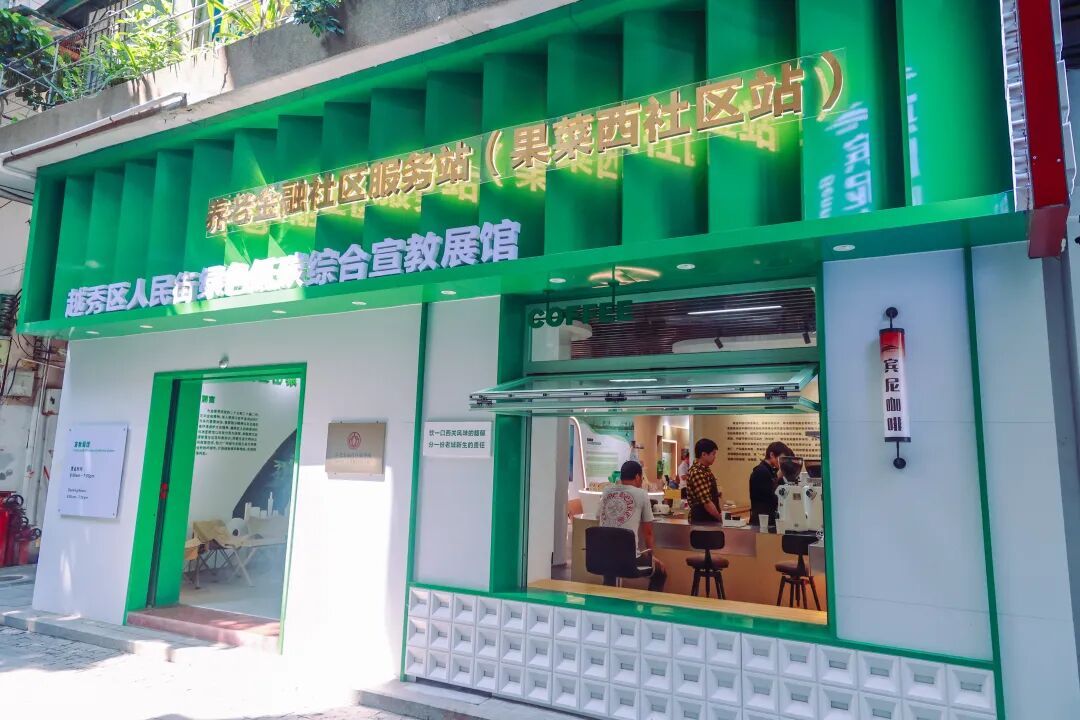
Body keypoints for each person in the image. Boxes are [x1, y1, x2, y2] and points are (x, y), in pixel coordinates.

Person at [598, 460, 667, 591]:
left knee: (610, 568)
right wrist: (651, 557)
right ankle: (649, 604)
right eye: (642, 478)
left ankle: (609, 598)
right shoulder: (641, 494)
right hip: (628, 560)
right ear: (637, 477)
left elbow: (599, 516)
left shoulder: (606, 491)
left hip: (601, 556)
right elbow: (648, 533)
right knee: (660, 573)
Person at [749, 441, 794, 528]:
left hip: (769, 519)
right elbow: (769, 495)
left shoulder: (771, 471)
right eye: (781, 458)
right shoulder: (761, 471)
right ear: (772, 455)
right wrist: (777, 477)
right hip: (761, 521)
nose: (782, 462)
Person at [685, 438, 724, 523]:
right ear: (704, 454)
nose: (715, 457)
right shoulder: (697, 472)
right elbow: (707, 503)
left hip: (709, 519)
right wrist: (720, 519)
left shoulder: (705, 470)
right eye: (713, 454)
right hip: (702, 520)